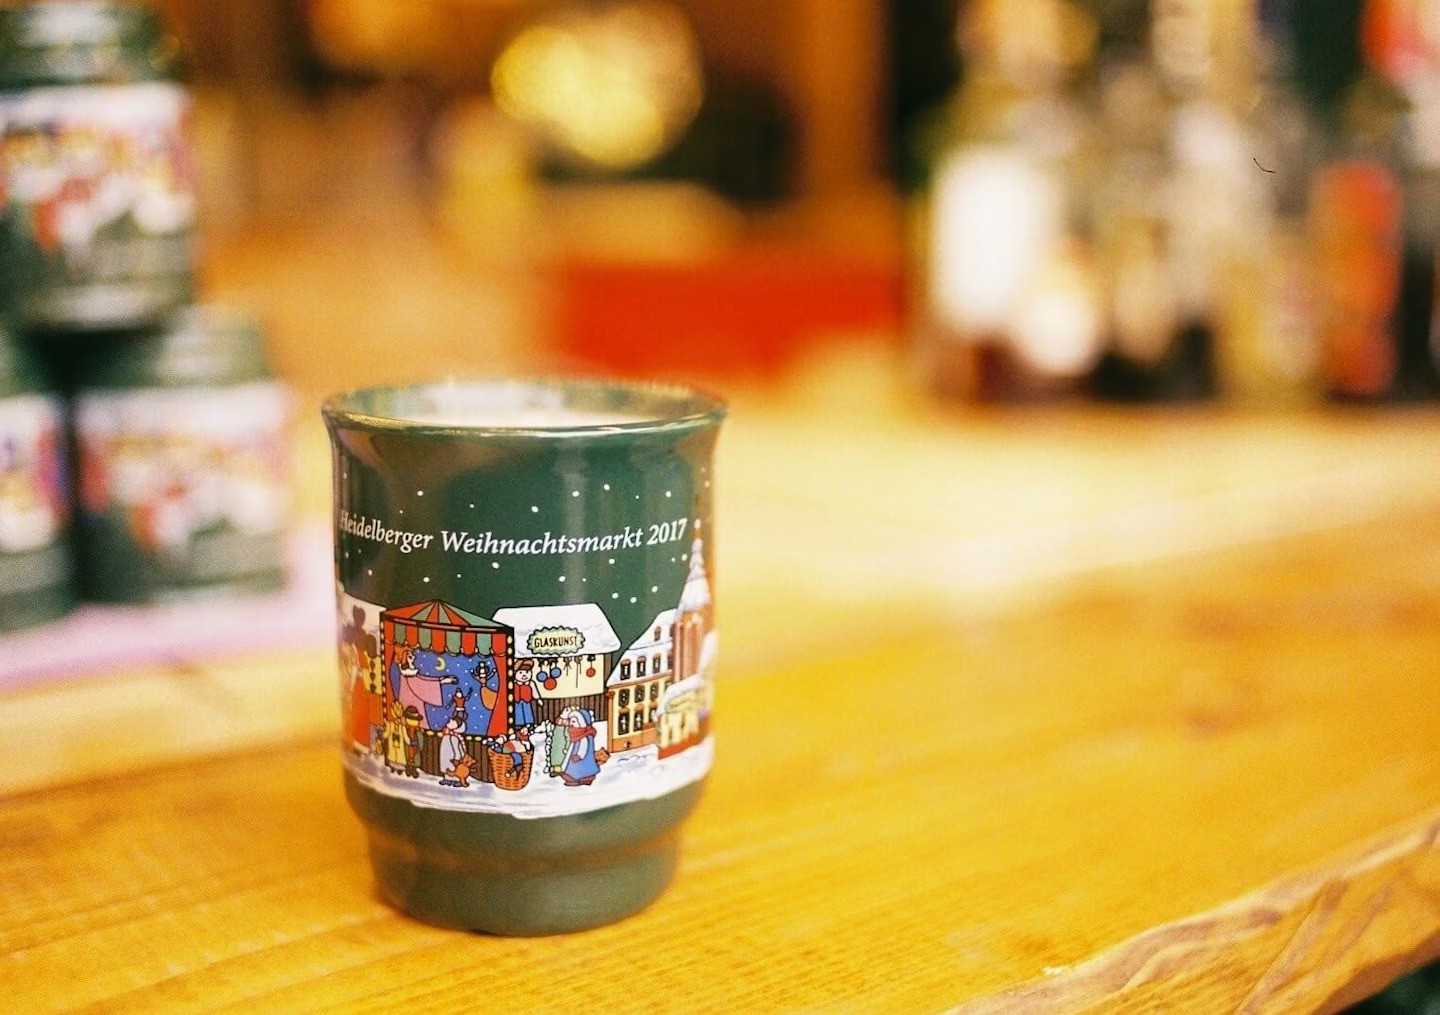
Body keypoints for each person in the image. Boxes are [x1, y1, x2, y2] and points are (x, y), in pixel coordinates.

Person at [560, 708, 602, 787]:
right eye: (571, 721)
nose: (571, 724)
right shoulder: (576, 734)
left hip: (580, 758)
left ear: (581, 722)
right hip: (575, 757)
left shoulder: (584, 735)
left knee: (579, 767)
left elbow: (583, 747)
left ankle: (579, 777)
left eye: (574, 721)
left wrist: (579, 756)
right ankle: (579, 776)